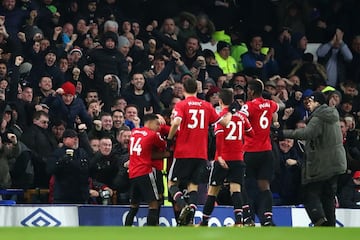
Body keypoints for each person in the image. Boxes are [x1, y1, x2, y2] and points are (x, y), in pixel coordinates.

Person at [167, 78, 231, 226]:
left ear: (184, 90)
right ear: (197, 89)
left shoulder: (181, 105)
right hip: (201, 153)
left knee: (171, 183)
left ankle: (184, 206)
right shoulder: (207, 106)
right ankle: (192, 210)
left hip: (183, 152)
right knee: (193, 185)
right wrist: (229, 113)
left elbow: (176, 122)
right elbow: (224, 123)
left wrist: (170, 138)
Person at [281, 91, 347, 226]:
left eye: (310, 101)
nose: (308, 104)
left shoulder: (319, 116)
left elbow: (307, 133)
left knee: (308, 193)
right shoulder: (331, 115)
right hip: (336, 163)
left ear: (317, 102)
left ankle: (319, 220)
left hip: (324, 164)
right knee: (327, 197)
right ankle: (330, 227)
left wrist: (283, 133)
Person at [199, 89, 253, 227]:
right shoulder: (241, 117)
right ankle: (239, 222)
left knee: (212, 191)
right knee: (236, 190)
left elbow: (219, 137)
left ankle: (204, 221)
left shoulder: (220, 116)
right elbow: (250, 133)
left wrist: (220, 156)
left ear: (220, 101)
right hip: (238, 158)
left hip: (223, 158)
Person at [240, 79, 279, 226]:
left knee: (244, 185)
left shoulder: (249, 105)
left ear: (251, 91)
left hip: (250, 151)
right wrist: (275, 122)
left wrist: (248, 130)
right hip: (266, 152)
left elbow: (241, 118)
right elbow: (278, 107)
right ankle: (267, 218)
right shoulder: (269, 104)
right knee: (264, 186)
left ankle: (248, 217)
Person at [124, 113, 168, 226]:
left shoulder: (134, 132)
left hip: (133, 173)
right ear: (150, 122)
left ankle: (125, 231)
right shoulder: (152, 135)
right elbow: (163, 145)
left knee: (134, 206)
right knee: (154, 203)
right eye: (157, 124)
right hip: (145, 172)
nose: (158, 127)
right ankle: (151, 232)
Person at [47, 128, 92, 204]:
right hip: (63, 197)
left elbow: (89, 169)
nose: (75, 140)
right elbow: (50, 169)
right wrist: (62, 161)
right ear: (64, 140)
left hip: (81, 196)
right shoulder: (58, 153)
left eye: (76, 138)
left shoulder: (83, 152)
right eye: (71, 138)